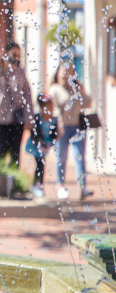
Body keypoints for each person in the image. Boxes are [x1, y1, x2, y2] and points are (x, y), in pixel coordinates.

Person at [0, 42, 33, 166]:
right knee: (2, 149)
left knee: (15, 152)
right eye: (14, 54)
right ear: (5, 53)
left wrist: (29, 118)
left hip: (16, 118)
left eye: (19, 55)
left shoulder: (20, 72)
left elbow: (27, 95)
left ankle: (14, 182)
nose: (16, 57)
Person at [50, 63, 94, 200]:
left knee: (79, 156)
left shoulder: (76, 89)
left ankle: (82, 187)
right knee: (61, 156)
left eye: (68, 71)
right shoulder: (55, 89)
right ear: (57, 73)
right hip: (62, 127)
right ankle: (61, 185)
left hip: (77, 127)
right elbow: (54, 109)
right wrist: (59, 125)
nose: (65, 74)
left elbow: (88, 103)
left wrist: (82, 91)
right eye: (63, 71)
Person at [26, 94, 58, 198]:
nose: (50, 110)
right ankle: (38, 185)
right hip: (36, 146)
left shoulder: (53, 120)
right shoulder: (37, 118)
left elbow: (54, 134)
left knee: (41, 164)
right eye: (48, 107)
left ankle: (37, 184)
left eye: (52, 107)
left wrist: (50, 143)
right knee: (40, 164)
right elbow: (34, 133)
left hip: (45, 146)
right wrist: (39, 143)